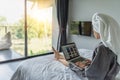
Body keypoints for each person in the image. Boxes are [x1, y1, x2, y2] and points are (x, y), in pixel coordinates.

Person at [53, 13, 120, 80]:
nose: (93, 30)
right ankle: (60, 56)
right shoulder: (114, 45)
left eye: (94, 27)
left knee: (73, 65)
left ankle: (58, 58)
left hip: (95, 75)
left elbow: (93, 76)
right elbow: (105, 63)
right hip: (104, 73)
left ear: (100, 29)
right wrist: (92, 63)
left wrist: (85, 67)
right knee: (79, 61)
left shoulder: (102, 48)